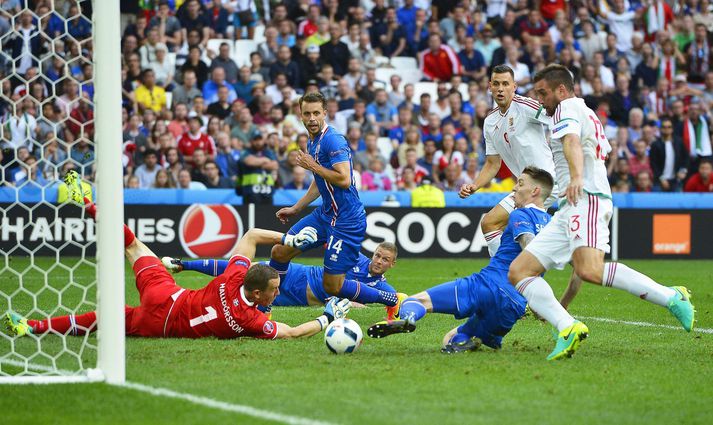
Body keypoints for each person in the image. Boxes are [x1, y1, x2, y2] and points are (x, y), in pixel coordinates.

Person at [508, 65, 695, 361]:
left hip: (586, 197)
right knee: (519, 271)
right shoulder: (578, 111)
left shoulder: (567, 107)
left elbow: (571, 142)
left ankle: (671, 297)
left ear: (561, 90)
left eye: (543, 92)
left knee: (590, 269)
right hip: (570, 205)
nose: (540, 98)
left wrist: (577, 177)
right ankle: (567, 326)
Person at [4, 196, 351, 340]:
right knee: (104, 319)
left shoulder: (232, 277)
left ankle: (88, 203)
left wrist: (292, 241)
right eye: (276, 289)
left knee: (134, 245)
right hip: (161, 321)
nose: (279, 292)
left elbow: (251, 235)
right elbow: (290, 332)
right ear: (258, 293)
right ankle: (31, 327)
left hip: (166, 293)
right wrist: (328, 318)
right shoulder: (251, 320)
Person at [368, 167, 553, 353]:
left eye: (520, 183)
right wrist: (540, 302)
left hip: (486, 286)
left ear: (535, 191)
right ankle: (464, 342)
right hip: (514, 307)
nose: (514, 188)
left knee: (413, 301)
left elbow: (529, 248)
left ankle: (408, 317)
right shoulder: (552, 225)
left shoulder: (519, 214)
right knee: (452, 338)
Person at [270, 91, 401, 311]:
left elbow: (343, 179)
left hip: (346, 220)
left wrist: (312, 166)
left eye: (316, 113)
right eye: (307, 114)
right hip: (325, 214)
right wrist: (297, 207)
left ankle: (388, 299)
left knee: (332, 286)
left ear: (325, 113)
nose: (311, 118)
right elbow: (319, 181)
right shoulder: (314, 141)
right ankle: (269, 300)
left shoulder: (332, 139)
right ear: (300, 116)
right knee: (280, 251)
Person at [459, 65, 557, 256]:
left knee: (496, 223)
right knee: (491, 224)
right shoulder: (490, 122)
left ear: (514, 87)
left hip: (546, 182)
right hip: (527, 186)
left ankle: (507, 276)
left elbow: (556, 115)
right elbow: (492, 163)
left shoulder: (526, 107)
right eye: (496, 84)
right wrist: (474, 185)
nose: (500, 88)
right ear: (489, 87)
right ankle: (512, 275)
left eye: (505, 84)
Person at [163, 242, 398, 307]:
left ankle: (187, 298)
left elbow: (399, 300)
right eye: (377, 255)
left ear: (392, 264)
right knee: (244, 270)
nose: (378, 261)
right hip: (300, 275)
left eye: (384, 259)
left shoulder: (383, 289)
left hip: (299, 299)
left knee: (239, 292)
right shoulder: (355, 257)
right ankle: (184, 265)